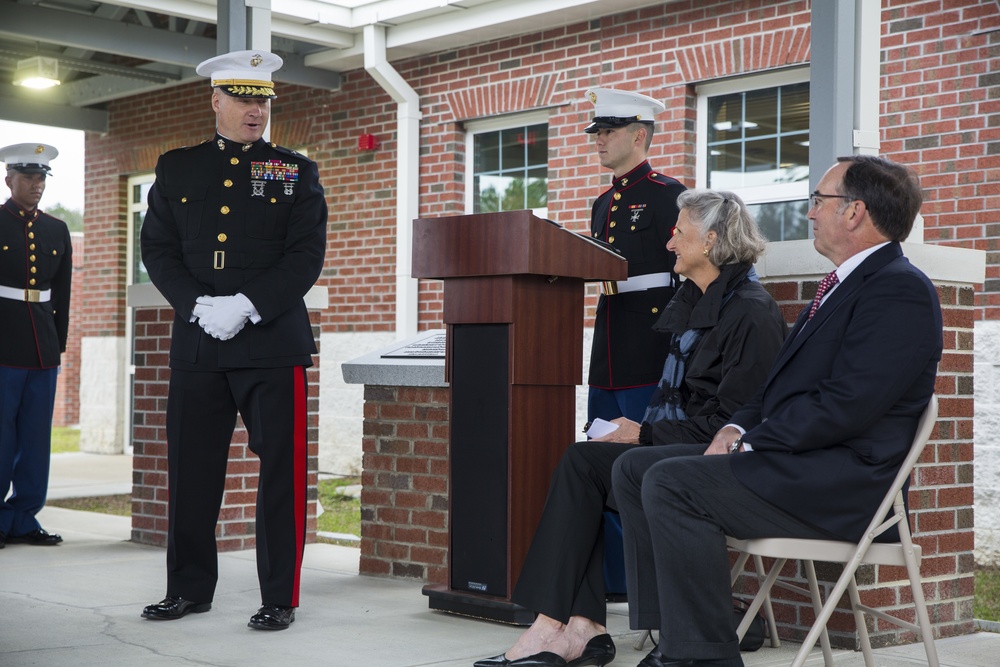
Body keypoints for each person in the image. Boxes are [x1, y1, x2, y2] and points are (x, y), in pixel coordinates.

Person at [611, 155, 943, 667]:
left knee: (673, 482)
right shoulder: (840, 285)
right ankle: (678, 634)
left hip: (844, 483)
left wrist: (751, 443)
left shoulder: (899, 288)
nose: (810, 213)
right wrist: (735, 424)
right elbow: (776, 388)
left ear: (854, 212)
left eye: (819, 201)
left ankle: (703, 657)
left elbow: (845, 406)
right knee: (635, 467)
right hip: (800, 465)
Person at [473, 190, 786, 667]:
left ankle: (570, 629)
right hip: (680, 449)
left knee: (615, 463)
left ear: (712, 240)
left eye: (679, 232)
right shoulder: (694, 301)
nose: (669, 244)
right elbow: (681, 404)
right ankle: (570, 625)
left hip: (722, 467)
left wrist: (643, 434)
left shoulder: (750, 311)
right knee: (582, 460)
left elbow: (735, 424)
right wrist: (641, 428)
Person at [138, 50, 327, 631]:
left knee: (282, 474)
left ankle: (279, 597)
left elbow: (305, 255)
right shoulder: (176, 168)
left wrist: (246, 306)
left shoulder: (293, 169)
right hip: (200, 341)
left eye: (263, 99)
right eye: (244, 99)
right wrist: (197, 305)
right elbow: (159, 251)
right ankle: (189, 589)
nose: (255, 110)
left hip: (271, 341)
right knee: (191, 471)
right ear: (215, 100)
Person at [584, 88, 686, 424]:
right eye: (598, 132)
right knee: (598, 451)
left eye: (609, 131)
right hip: (607, 347)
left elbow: (689, 271)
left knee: (640, 451)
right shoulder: (602, 204)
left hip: (649, 346)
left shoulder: (668, 194)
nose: (599, 140)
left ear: (639, 135)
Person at [0, 143, 72, 550]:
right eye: (28, 177)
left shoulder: (56, 229)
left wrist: (57, 344)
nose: (36, 185)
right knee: (1, 437)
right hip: (3, 344)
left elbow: (60, 291)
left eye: (41, 177)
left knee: (34, 438)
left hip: (42, 347)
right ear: (8, 179)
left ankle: (24, 517)